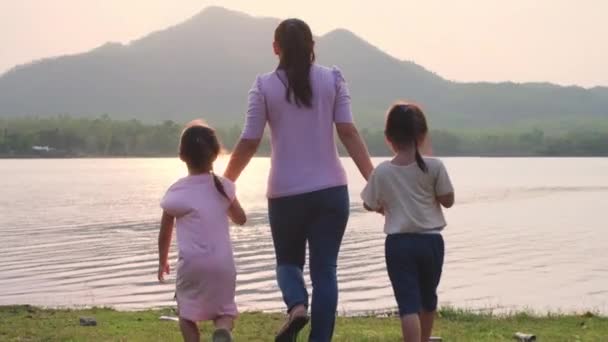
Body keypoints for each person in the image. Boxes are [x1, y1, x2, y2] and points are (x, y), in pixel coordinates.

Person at [223, 18, 374, 342]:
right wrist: (373, 180)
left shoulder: (264, 86)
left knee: (288, 264)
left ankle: (296, 306)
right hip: (331, 192)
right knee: (325, 273)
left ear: (276, 48)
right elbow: (348, 132)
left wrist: (225, 183)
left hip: (285, 194)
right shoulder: (333, 79)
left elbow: (250, 140)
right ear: (312, 47)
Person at [361, 103, 454, 342]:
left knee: (408, 304)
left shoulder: (382, 172)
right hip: (431, 242)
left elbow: (368, 204)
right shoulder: (435, 166)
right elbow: (448, 201)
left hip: (399, 245)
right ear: (422, 135)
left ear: (388, 138)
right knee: (428, 298)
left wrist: (387, 206)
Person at [158, 122, 246, 342]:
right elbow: (241, 219)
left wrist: (163, 261)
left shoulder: (177, 191)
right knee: (225, 311)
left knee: (186, 314)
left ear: (182, 155)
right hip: (223, 265)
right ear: (215, 154)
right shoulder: (224, 187)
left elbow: (165, 229)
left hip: (192, 266)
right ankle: (222, 331)